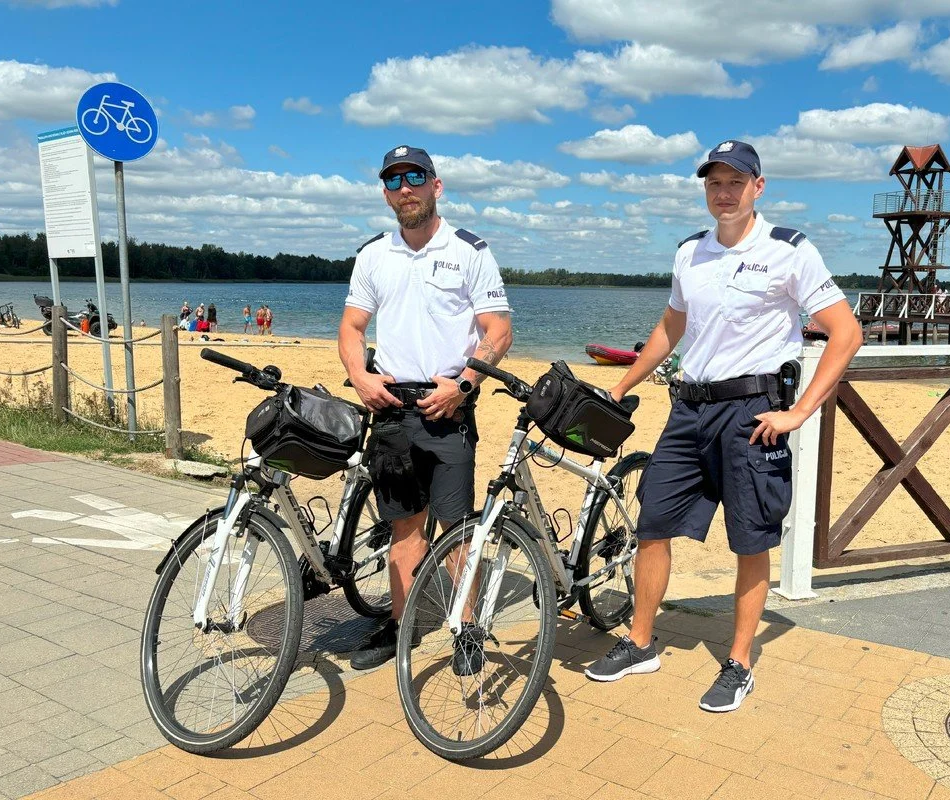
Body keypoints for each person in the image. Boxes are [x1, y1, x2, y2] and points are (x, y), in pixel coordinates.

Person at [582, 141, 862, 712]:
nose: (724, 192)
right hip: (689, 410)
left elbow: (845, 332)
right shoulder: (690, 252)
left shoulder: (789, 250)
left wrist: (800, 411)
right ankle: (640, 642)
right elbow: (670, 328)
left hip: (752, 412)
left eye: (736, 181)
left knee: (749, 538)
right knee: (652, 522)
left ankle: (738, 662)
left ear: (758, 187)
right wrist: (620, 385)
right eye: (714, 183)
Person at [340, 144, 513, 670]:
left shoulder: (470, 250)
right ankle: (401, 626)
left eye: (414, 177)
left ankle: (467, 629)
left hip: (448, 407)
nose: (404, 188)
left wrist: (463, 385)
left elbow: (498, 330)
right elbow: (351, 327)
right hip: (390, 407)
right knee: (403, 528)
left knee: (458, 530)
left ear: (436, 186)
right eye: (393, 181)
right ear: (386, 194)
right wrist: (359, 377)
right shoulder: (374, 254)